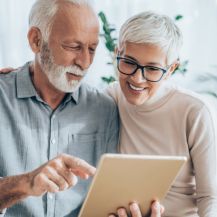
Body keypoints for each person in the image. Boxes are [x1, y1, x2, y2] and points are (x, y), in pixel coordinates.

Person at [0, 1, 163, 217]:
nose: (85, 62)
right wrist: (25, 183)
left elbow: (105, 201)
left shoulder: (104, 109)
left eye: (92, 49)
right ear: (36, 40)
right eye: (73, 47)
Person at [107, 11, 217, 217]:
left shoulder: (194, 112)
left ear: (171, 69)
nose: (137, 79)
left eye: (152, 69)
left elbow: (210, 197)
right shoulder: (111, 98)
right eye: (129, 62)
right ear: (117, 54)